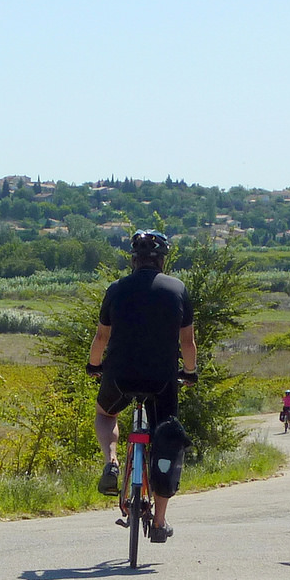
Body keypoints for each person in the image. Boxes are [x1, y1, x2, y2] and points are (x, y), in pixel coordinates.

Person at [87, 230, 197, 544]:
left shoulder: (116, 289)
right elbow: (187, 342)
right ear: (163, 260)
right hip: (162, 379)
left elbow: (101, 338)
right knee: (166, 438)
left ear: (133, 260)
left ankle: (111, 462)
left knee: (105, 414)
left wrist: (94, 366)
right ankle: (160, 522)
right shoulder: (177, 289)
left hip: (119, 376)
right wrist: (190, 372)